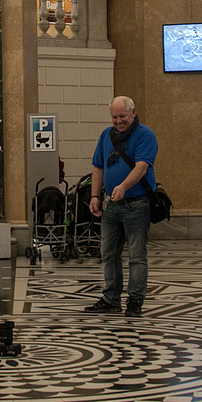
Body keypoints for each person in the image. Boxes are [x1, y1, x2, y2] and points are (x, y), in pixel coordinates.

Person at [85, 96, 158, 318]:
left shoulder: (146, 135)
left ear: (133, 113)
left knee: (137, 256)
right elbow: (98, 167)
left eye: (122, 116)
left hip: (136, 205)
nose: (118, 121)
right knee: (108, 254)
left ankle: (135, 300)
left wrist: (124, 187)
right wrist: (95, 196)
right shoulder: (107, 135)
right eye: (114, 117)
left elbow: (141, 167)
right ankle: (111, 299)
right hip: (111, 206)